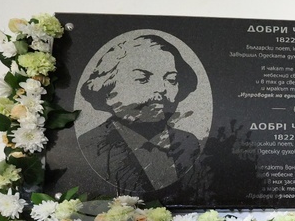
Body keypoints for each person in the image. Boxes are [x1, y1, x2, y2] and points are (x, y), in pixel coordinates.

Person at [47, 33, 208, 202]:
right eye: (142, 78)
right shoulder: (90, 146)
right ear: (107, 89)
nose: (161, 88)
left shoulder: (189, 143)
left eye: (171, 79)